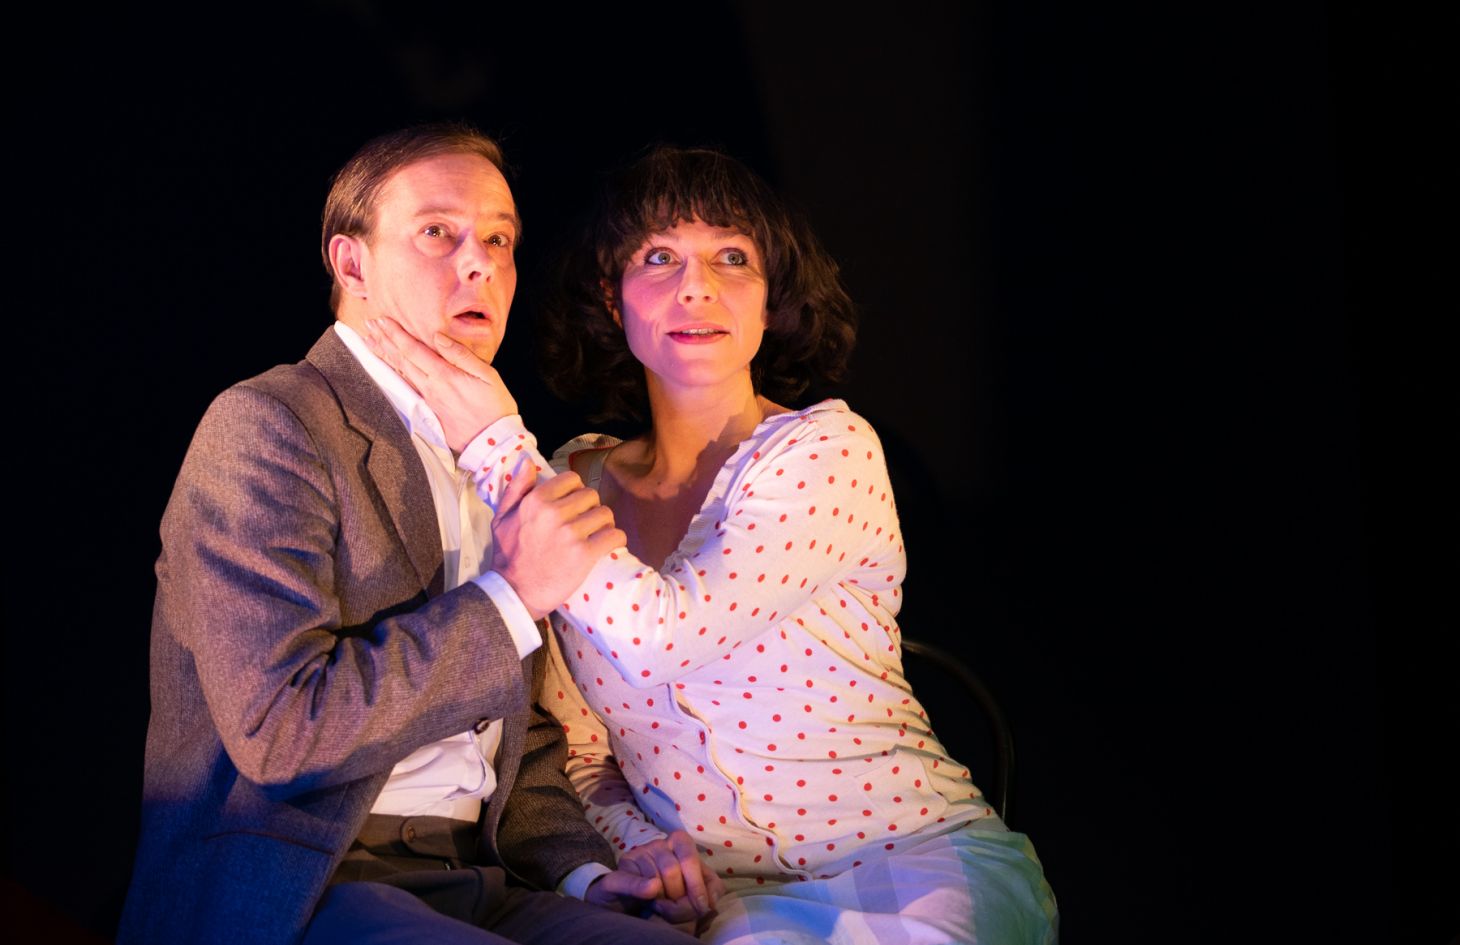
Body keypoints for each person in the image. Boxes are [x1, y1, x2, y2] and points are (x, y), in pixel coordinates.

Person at [366, 146, 1058, 944]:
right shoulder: (569, 480)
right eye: (658, 258)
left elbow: (664, 635)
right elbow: (581, 754)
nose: (696, 287)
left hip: (914, 865)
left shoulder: (827, 449)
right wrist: (648, 854)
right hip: (731, 903)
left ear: (770, 302)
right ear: (611, 296)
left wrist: (494, 440)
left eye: (732, 257)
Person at [118, 125, 710, 945]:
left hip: (482, 878)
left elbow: (518, 734)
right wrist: (511, 597)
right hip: (312, 880)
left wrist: (586, 874)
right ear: (351, 263)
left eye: (498, 240)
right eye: (438, 232)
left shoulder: (488, 444)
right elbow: (281, 731)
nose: (480, 264)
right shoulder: (270, 424)